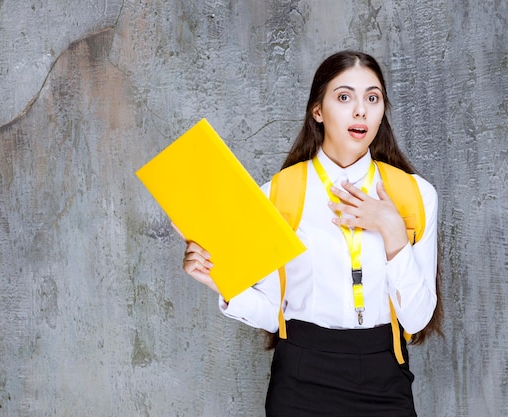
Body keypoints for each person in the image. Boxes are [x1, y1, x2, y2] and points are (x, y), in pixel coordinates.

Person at [182, 50, 442, 417]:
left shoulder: (416, 194)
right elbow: (277, 314)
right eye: (344, 97)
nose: (360, 111)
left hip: (384, 375)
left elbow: (416, 320)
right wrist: (223, 282)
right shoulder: (275, 193)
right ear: (317, 111)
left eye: (373, 97)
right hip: (301, 378)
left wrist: (391, 229)